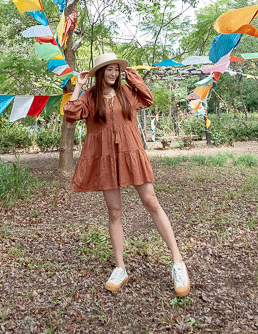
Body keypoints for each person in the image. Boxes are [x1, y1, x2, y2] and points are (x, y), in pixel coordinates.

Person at [64, 52, 189, 296]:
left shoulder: (126, 93)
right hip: (106, 159)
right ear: (100, 73)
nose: (113, 73)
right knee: (114, 212)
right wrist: (79, 85)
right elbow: (70, 113)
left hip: (131, 154)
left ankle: (178, 262)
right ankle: (120, 267)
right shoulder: (90, 97)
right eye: (108, 69)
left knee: (151, 202)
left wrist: (130, 73)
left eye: (116, 69)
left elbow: (148, 97)